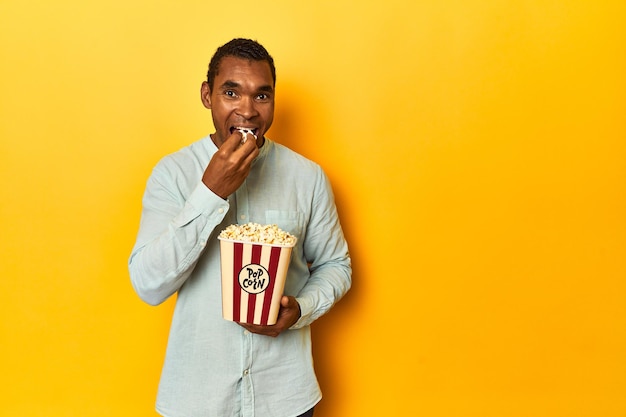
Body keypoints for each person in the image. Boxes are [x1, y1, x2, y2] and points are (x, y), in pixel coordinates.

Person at [129, 38, 352, 417]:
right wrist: (209, 192)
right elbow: (148, 285)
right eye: (231, 92)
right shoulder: (173, 174)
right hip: (197, 399)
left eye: (262, 97)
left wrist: (301, 309)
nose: (247, 110)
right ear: (207, 95)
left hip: (285, 397)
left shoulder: (307, 177)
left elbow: (336, 266)